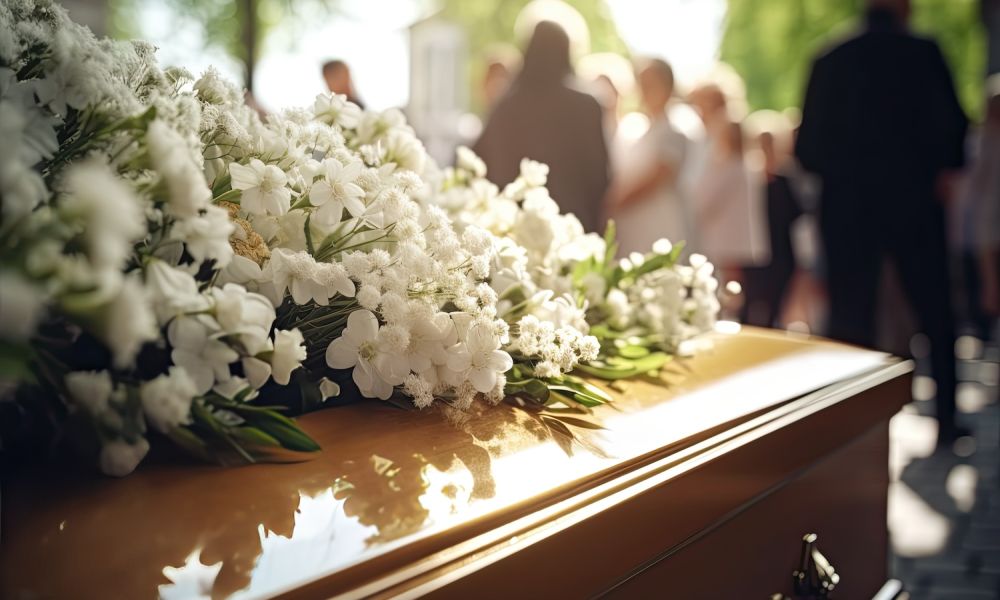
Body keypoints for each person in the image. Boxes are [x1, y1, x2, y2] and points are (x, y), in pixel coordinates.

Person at [795, 0, 969, 445]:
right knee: (935, 313)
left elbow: (807, 149)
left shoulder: (830, 58)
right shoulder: (924, 55)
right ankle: (946, 419)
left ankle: (848, 428)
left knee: (851, 320)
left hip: (849, 211)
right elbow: (954, 135)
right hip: (915, 206)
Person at [473, 21, 609, 233]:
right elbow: (600, 174)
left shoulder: (506, 106)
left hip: (515, 229)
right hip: (575, 228)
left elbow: (482, 163)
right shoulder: (586, 106)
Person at [605, 58, 689, 254]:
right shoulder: (636, 127)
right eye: (642, 84)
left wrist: (614, 203)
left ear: (667, 87)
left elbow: (658, 176)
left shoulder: (673, 132)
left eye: (651, 84)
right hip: (631, 224)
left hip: (656, 224)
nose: (645, 90)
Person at [742, 111, 804, 327]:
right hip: (754, 256)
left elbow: (798, 216)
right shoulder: (748, 181)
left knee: (775, 309)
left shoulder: (786, 178)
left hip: (781, 254)